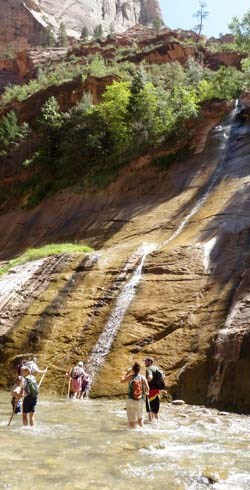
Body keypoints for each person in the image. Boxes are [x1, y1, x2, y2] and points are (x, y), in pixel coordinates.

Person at [120, 362, 149, 429]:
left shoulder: (130, 377)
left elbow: (121, 381)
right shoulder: (143, 377)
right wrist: (144, 393)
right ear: (139, 370)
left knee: (132, 421)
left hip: (131, 400)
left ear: (133, 369)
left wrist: (127, 373)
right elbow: (148, 389)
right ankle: (141, 432)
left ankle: (132, 434)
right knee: (140, 418)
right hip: (140, 400)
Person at [144, 357, 165, 422]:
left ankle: (151, 424)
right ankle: (156, 423)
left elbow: (150, 377)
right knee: (155, 410)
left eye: (146, 361)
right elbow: (164, 377)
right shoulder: (157, 368)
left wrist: (144, 383)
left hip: (150, 391)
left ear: (150, 362)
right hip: (157, 391)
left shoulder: (149, 369)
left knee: (150, 409)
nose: (144, 362)